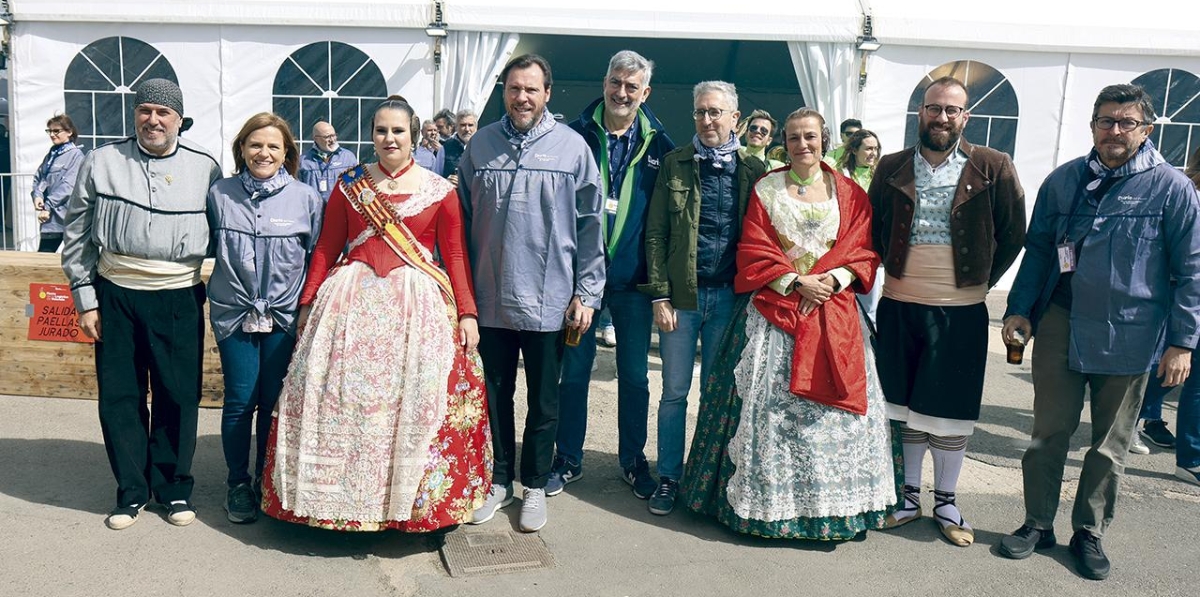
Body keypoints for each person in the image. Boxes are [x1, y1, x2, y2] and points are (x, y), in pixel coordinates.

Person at [260, 99, 491, 533]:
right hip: (350, 304)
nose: (389, 139)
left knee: (415, 402)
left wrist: (467, 313)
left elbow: (456, 255)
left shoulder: (440, 191)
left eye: (398, 131)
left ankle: (411, 505)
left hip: (417, 306)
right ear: (371, 136)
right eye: (381, 131)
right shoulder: (350, 185)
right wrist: (308, 301)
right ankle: (338, 503)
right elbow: (328, 246)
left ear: (414, 134)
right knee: (344, 400)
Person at [998, 84, 1200, 580]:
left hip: (1131, 332)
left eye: (1126, 122)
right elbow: (1040, 251)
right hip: (1061, 323)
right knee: (1048, 434)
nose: (1114, 130)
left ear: (1146, 129)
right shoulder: (1063, 181)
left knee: (1111, 444)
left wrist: (1182, 341)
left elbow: (1192, 269)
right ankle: (1037, 523)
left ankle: (1088, 532)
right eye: (1106, 120)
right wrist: (1020, 309)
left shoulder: (1172, 188)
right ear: (1092, 125)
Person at [680, 108, 898, 540]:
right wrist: (797, 281)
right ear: (785, 140)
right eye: (795, 137)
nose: (803, 145)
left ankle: (832, 510)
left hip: (835, 310)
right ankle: (765, 508)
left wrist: (832, 280)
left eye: (811, 137)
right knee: (770, 413)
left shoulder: (851, 193)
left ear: (825, 139)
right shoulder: (767, 189)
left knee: (829, 416)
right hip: (777, 312)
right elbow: (754, 247)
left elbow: (861, 248)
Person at [871, 76, 1026, 548]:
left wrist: (978, 280)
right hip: (899, 303)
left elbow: (1013, 232)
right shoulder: (893, 166)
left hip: (960, 310)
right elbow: (875, 226)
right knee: (904, 406)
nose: (942, 118)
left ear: (966, 117)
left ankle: (947, 501)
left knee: (950, 411)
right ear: (920, 111)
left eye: (951, 111)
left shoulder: (993, 165)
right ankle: (908, 497)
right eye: (933, 108)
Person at [60, 78, 222, 530]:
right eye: (145, 110)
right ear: (135, 115)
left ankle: (172, 490)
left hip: (177, 295)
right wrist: (84, 298)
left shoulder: (205, 168)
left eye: (163, 113)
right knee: (121, 395)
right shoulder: (101, 161)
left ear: (179, 120)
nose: (153, 120)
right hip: (116, 294)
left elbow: (225, 235)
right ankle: (131, 491)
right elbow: (77, 235)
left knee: (177, 395)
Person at [459, 54, 605, 532]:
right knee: (494, 394)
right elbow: (459, 224)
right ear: (504, 91)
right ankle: (499, 480)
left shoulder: (572, 149)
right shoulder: (480, 146)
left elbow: (589, 227)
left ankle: (535, 485)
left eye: (531, 90)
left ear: (548, 93)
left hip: (550, 301)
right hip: (490, 299)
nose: (522, 97)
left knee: (544, 401)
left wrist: (586, 292)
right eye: (514, 88)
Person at [549, 50, 675, 499]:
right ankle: (567, 458)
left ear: (646, 92)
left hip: (633, 285)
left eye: (631, 86)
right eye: (615, 83)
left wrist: (663, 287)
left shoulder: (661, 145)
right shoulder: (573, 136)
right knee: (575, 373)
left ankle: (632, 459)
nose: (622, 93)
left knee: (636, 376)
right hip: (580, 284)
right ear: (604, 83)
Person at [640, 81, 766, 516]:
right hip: (683, 301)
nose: (706, 120)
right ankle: (670, 478)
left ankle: (706, 479)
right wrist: (659, 295)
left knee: (719, 395)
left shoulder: (754, 171)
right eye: (700, 112)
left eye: (715, 112)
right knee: (674, 392)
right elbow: (655, 234)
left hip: (730, 302)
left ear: (735, 119)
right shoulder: (675, 164)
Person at [206, 112, 324, 524]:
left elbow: (316, 260)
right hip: (234, 313)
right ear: (241, 148)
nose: (264, 152)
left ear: (287, 153)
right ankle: (238, 482)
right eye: (255, 144)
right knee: (240, 400)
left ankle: (268, 480)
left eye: (274, 146)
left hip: (284, 316)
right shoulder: (219, 194)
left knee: (273, 402)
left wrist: (307, 309)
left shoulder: (307, 198)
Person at [32, 114, 85, 252]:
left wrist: (47, 206)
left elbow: (68, 186)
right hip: (50, 220)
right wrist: (37, 195)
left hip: (69, 218)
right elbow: (39, 177)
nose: (52, 134)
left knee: (74, 263)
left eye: (56, 131)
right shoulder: (51, 154)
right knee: (43, 259)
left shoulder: (76, 155)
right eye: (49, 131)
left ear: (69, 132)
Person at [298, 121, 358, 202]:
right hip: (314, 212)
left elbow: (357, 187)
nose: (332, 140)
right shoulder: (303, 161)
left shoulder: (348, 158)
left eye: (334, 135)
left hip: (340, 211)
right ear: (316, 138)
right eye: (327, 137)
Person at [441, 109, 477, 186]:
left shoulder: (484, 147)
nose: (467, 129)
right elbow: (436, 176)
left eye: (470, 125)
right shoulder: (445, 148)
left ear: (476, 127)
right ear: (456, 127)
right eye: (463, 125)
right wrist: (446, 182)